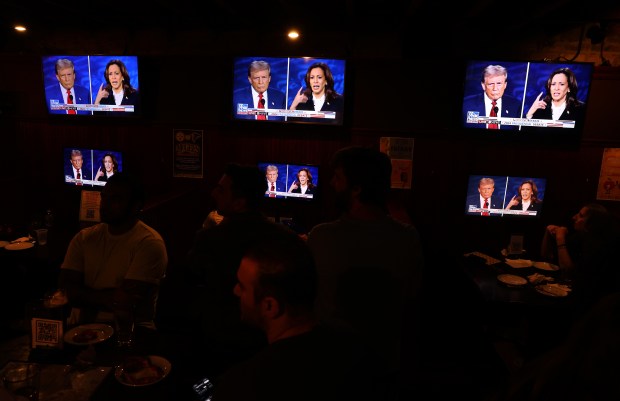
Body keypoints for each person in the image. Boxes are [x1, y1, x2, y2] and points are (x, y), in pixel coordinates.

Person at [211, 230, 387, 401]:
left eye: (242, 286)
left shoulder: (243, 386)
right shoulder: (359, 351)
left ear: (270, 306)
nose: (235, 291)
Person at [306, 146, 424, 398]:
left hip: (331, 363)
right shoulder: (409, 237)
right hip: (386, 365)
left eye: (337, 177)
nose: (331, 183)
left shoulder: (321, 237)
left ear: (357, 188)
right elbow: (413, 297)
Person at [185, 163, 296, 373]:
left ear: (239, 203)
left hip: (216, 340)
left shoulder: (209, 239)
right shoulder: (285, 238)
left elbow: (191, 278)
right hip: (269, 338)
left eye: (221, 189)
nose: (213, 193)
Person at [58, 172, 168, 329]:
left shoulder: (149, 243)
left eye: (115, 199)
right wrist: (107, 297)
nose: (105, 204)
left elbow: (126, 302)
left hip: (129, 332)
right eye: (104, 197)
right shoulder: (84, 237)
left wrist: (83, 294)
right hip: (79, 329)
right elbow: (66, 291)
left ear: (136, 205)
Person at [540, 203, 620, 315]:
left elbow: (568, 270)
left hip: (590, 306)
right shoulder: (580, 236)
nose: (574, 217)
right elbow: (546, 256)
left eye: (581, 216)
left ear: (593, 223)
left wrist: (560, 238)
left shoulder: (598, 246)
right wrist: (548, 233)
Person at [462, 64, 523, 130]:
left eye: (499, 83)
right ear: (483, 85)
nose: (495, 88)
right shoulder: (466, 105)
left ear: (505, 85)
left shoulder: (516, 105)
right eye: (491, 84)